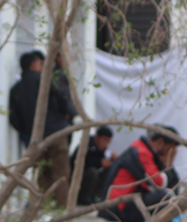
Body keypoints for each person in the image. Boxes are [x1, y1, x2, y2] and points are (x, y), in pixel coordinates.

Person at [8, 50, 77, 208]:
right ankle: (61, 212)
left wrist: (27, 130)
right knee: (60, 174)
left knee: (41, 175)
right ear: (34, 64)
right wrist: (67, 116)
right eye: (40, 63)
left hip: (35, 139)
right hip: (57, 133)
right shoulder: (46, 80)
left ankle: (43, 209)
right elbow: (62, 96)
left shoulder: (16, 89)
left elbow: (14, 119)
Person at [98, 126, 182, 222]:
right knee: (165, 198)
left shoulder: (146, 150)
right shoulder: (141, 152)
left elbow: (173, 186)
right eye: (171, 149)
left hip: (128, 202)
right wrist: (168, 165)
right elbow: (158, 183)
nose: (173, 153)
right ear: (160, 142)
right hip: (117, 208)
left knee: (166, 197)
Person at [69, 126, 118, 206]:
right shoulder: (86, 145)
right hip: (79, 178)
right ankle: (83, 198)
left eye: (108, 142)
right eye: (104, 140)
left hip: (92, 179)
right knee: (92, 172)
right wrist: (99, 162)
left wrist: (111, 160)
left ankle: (97, 196)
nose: (106, 144)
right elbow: (79, 163)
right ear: (97, 137)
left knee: (110, 170)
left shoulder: (102, 149)